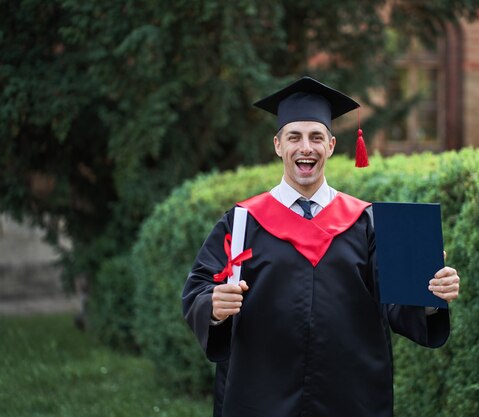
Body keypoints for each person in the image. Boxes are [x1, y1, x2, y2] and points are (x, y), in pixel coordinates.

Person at [182, 76, 460, 417]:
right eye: (294, 137)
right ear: (277, 145)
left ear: (330, 145)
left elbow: (399, 305)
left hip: (350, 395)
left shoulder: (366, 221)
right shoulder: (242, 221)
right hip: (261, 393)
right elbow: (198, 288)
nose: (306, 148)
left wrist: (430, 295)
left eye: (316, 137)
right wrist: (214, 306)